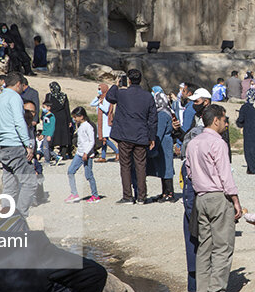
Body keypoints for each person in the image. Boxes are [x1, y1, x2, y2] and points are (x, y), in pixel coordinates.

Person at [186, 104, 242, 292]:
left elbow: (189, 172)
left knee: (204, 247)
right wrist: (235, 200)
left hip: (200, 198)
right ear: (216, 120)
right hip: (219, 197)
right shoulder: (218, 143)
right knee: (223, 246)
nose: (226, 124)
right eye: (225, 120)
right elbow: (225, 175)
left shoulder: (193, 142)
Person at [0, 71, 38, 216]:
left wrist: (2, 132)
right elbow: (19, 122)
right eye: (23, 86)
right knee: (30, 183)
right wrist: (28, 144)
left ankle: (6, 216)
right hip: (15, 145)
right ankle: (20, 216)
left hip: (3, 147)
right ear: (18, 84)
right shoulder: (15, 97)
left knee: (9, 186)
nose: (23, 89)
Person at [106, 69, 157, 204]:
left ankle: (127, 196)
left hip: (125, 135)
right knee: (141, 166)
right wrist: (152, 137)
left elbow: (109, 97)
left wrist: (116, 85)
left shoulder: (122, 93)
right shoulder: (148, 96)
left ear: (128, 80)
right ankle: (142, 196)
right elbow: (153, 119)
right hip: (141, 135)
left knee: (125, 166)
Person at [65, 106, 100, 203]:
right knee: (70, 171)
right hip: (79, 153)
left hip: (86, 155)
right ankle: (74, 193)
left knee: (88, 175)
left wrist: (86, 153)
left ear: (81, 116)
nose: (74, 119)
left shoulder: (88, 126)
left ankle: (95, 195)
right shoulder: (80, 126)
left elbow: (91, 141)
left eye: (75, 117)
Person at [147, 87, 176, 202]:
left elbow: (159, 131)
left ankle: (169, 193)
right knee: (163, 168)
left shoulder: (162, 114)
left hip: (164, 143)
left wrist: (153, 147)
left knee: (166, 168)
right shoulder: (166, 111)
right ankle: (165, 192)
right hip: (165, 142)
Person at [44, 82, 73, 159]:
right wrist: (69, 120)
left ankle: (51, 154)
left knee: (52, 135)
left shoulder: (49, 96)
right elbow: (67, 108)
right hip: (63, 117)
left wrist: (43, 117)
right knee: (63, 136)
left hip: (53, 117)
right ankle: (63, 154)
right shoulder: (63, 96)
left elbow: (46, 107)